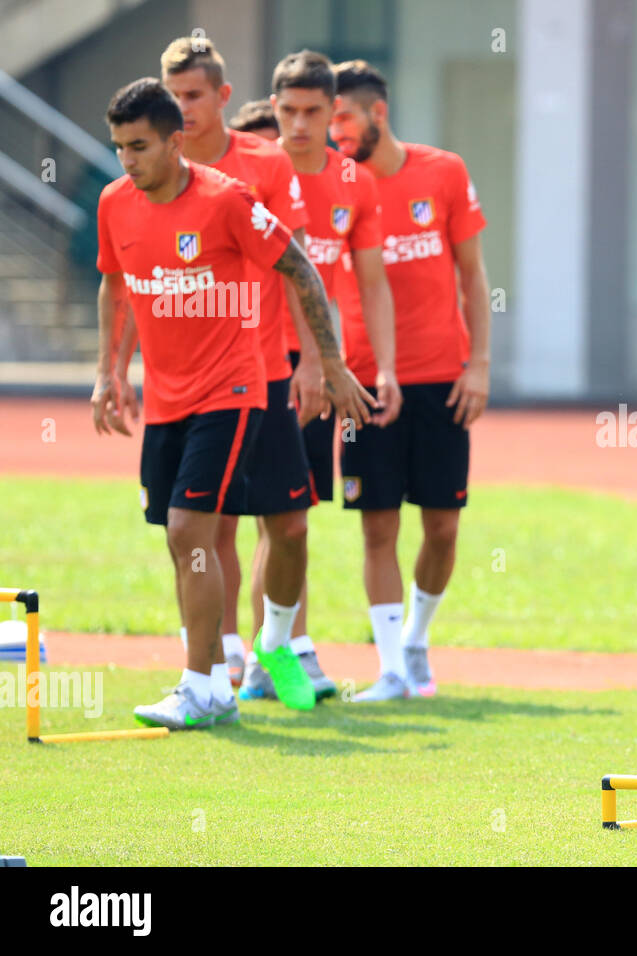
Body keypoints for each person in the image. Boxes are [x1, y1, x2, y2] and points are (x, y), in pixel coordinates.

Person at [93, 77, 373, 729]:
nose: (128, 161)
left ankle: (209, 680)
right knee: (177, 533)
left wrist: (327, 363)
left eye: (139, 147)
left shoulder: (227, 200)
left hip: (237, 389)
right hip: (166, 398)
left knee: (203, 526)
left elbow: (299, 266)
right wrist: (109, 371)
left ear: (174, 139)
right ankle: (216, 676)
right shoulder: (114, 203)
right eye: (119, 148)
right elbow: (114, 286)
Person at [152, 36, 338, 701]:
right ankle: (217, 662)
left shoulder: (264, 163)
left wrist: (313, 359)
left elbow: (297, 266)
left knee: (289, 524)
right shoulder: (152, 173)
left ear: (223, 96)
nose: (182, 108)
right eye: (172, 96)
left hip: (267, 369)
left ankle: (274, 646)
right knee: (206, 527)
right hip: (190, 384)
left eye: (193, 95)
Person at [235, 51, 402, 703]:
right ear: (271, 108)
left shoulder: (355, 182)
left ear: (335, 113)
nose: (299, 124)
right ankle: (266, 657)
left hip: (315, 370)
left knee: (293, 516)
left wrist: (377, 366)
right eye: (287, 110)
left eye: (313, 111)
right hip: (255, 369)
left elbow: (370, 283)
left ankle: (276, 655)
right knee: (273, 517)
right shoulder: (251, 173)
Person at [328, 60, 491, 700]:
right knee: (376, 523)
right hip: (363, 382)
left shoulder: (443, 171)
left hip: (442, 377)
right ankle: (391, 667)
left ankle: (417, 639)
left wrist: (478, 363)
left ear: (378, 113)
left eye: (341, 117)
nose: (333, 130)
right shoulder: (333, 185)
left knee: (443, 525)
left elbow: (473, 275)